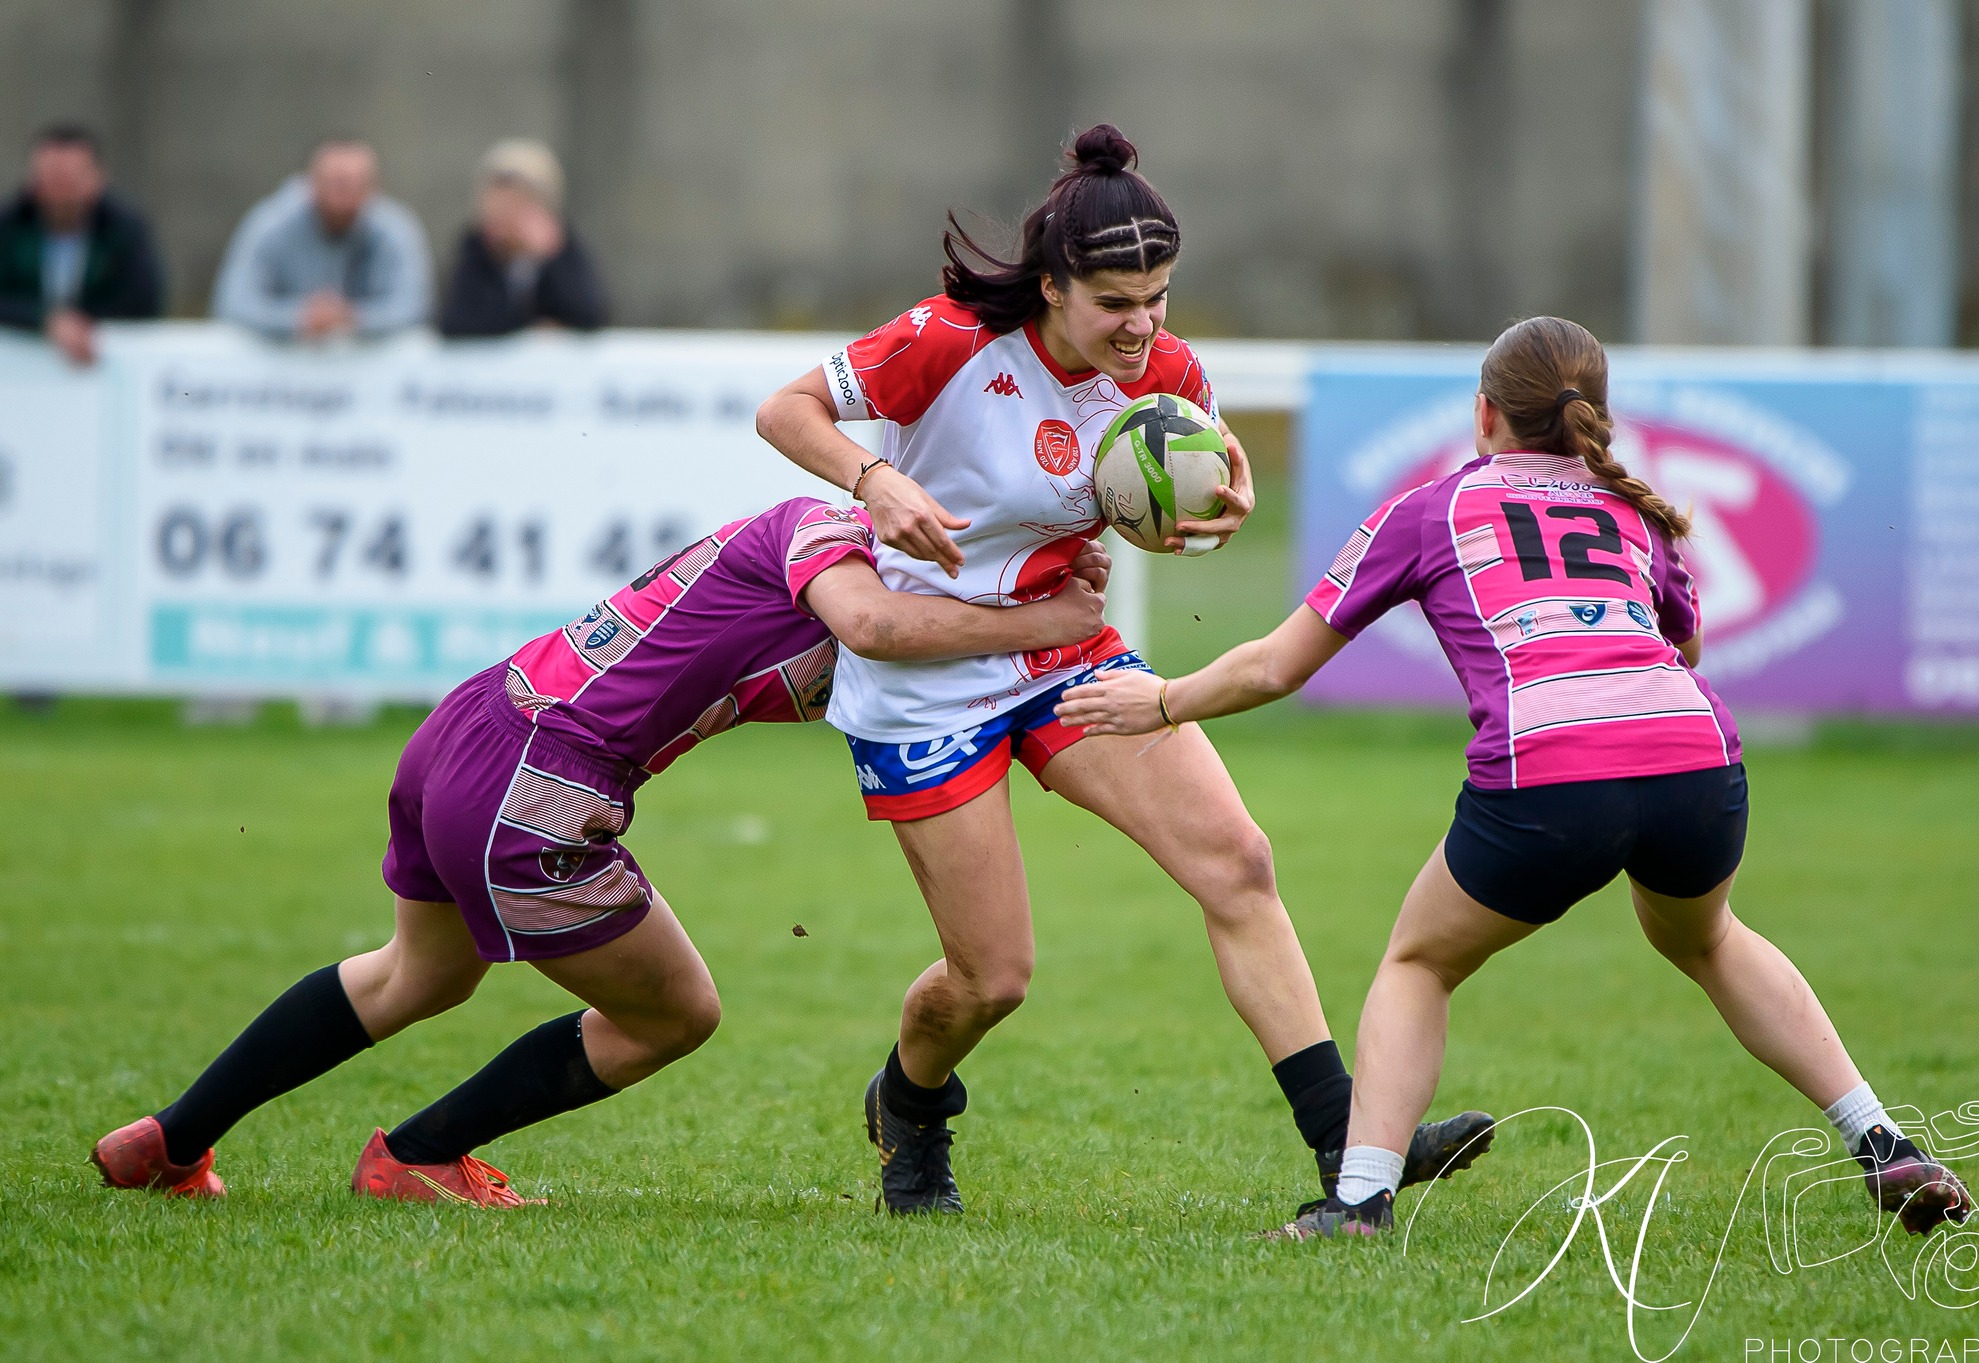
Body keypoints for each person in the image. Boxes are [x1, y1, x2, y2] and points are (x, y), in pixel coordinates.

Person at [1055, 316, 1976, 1240]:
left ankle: (1359, 1203)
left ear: (1484, 414)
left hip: (1552, 771)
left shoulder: (1428, 510)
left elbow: (1275, 668)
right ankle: (1884, 1141)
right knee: (1711, 940)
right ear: (1592, 419)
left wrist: (1164, 699)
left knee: (1421, 961)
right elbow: (1681, 646)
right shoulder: (1637, 511)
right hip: (1696, 759)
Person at [756, 124, 1492, 1216]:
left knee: (1236, 862)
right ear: (1051, 287)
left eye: (1156, 295)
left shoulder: (1166, 370)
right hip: (928, 680)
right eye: (1114, 303)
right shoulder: (949, 340)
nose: (1142, 326)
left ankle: (1348, 1155)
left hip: (1062, 649)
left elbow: (1175, 485)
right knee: (989, 979)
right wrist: (875, 482)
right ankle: (908, 1104)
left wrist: (1209, 511)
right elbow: (785, 411)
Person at [91, 498, 1111, 1205]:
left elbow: (896, 653)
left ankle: (169, 1139)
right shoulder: (825, 534)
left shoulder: (852, 584)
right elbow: (872, 623)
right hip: (530, 787)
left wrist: (1021, 617)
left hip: (471, 722)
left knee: (419, 973)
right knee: (676, 1012)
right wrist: (1044, 619)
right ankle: (416, 1154)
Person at [211, 138, 430, 341]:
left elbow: (415, 306)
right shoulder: (271, 224)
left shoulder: (395, 229)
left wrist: (353, 319)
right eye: (337, 183)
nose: (344, 197)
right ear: (311, 182)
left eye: (356, 185)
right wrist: (298, 318)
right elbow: (232, 303)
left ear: (374, 187)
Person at [0, 124, 163, 365]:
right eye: (50, 178)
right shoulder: (10, 225)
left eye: (68, 180)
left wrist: (84, 325)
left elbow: (145, 299)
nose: (59, 192)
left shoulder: (125, 228)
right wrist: (44, 320)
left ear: (97, 177)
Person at [440, 139, 607, 337]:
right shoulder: (476, 246)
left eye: (516, 204)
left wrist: (548, 258)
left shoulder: (562, 245)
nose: (504, 215)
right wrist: (529, 324)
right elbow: (458, 321)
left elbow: (588, 315)